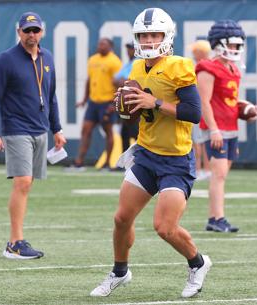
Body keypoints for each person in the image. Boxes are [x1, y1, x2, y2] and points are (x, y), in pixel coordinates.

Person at [90, 8, 211, 298]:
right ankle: (120, 271)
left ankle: (198, 263)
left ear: (167, 35)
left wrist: (153, 101)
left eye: (154, 34)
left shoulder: (179, 66)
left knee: (164, 227)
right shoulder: (135, 68)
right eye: (143, 35)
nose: (148, 40)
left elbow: (194, 113)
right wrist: (128, 107)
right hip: (145, 154)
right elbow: (138, 114)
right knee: (121, 219)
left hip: (175, 160)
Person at [0, 12, 66, 259]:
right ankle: (14, 242)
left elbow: (51, 97)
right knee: (22, 182)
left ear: (42, 31)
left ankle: (17, 240)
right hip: (16, 129)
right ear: (18, 32)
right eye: (26, 30)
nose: (31, 35)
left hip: (40, 129)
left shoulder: (47, 57)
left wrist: (57, 129)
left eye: (35, 30)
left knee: (28, 183)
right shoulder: (6, 60)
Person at [196, 20, 257, 233]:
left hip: (230, 127)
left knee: (221, 174)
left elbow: (231, 101)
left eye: (237, 44)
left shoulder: (233, 68)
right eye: (231, 44)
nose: (235, 48)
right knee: (219, 173)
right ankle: (218, 218)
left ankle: (214, 217)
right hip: (216, 128)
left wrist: (247, 111)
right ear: (218, 43)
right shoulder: (207, 67)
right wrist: (213, 129)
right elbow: (204, 101)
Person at [71, 38, 122, 170]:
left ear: (110, 46)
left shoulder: (114, 62)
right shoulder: (93, 59)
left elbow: (118, 83)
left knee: (108, 131)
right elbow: (89, 80)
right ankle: (79, 162)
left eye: (103, 44)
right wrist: (84, 99)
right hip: (93, 102)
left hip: (107, 102)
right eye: (99, 44)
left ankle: (107, 163)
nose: (100, 46)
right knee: (85, 130)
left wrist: (114, 103)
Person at [190, 40, 212, 181]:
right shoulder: (210, 66)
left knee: (198, 140)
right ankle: (205, 169)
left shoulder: (201, 67)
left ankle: (199, 169)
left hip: (200, 106)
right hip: (207, 107)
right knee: (203, 140)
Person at [114, 42, 139, 153]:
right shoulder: (128, 63)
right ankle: (126, 161)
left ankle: (142, 159)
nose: (129, 51)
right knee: (125, 133)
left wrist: (123, 82)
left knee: (136, 133)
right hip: (126, 103)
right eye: (128, 48)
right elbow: (115, 80)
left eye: (131, 48)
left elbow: (130, 82)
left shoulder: (139, 63)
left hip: (134, 103)